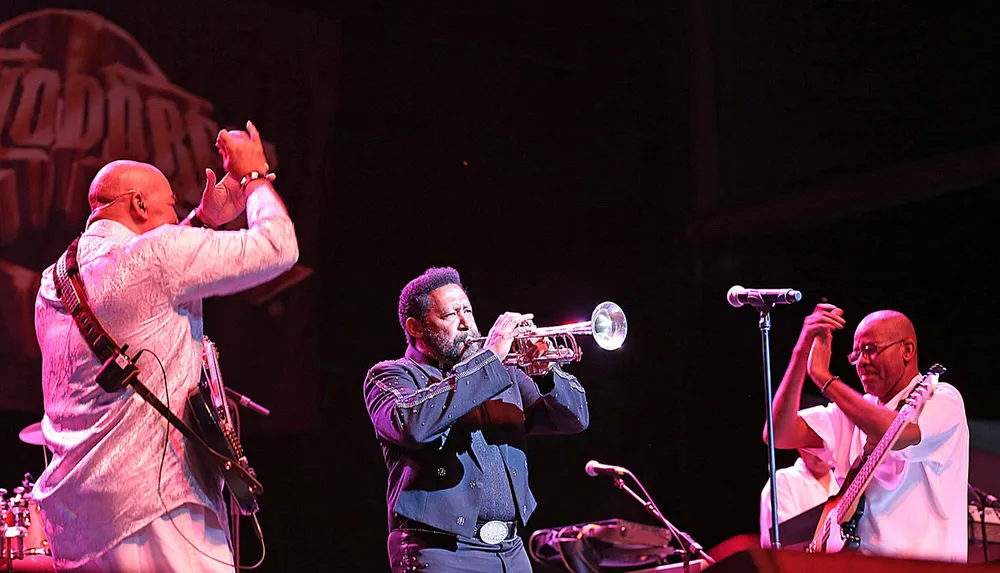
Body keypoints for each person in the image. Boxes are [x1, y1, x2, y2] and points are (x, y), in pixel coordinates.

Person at [33, 121, 299, 572]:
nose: (178, 220)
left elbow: (142, 285)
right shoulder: (157, 254)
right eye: (173, 207)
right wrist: (253, 178)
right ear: (138, 203)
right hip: (156, 507)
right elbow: (279, 246)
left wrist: (203, 222)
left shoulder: (52, 281)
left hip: (76, 523)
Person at [364, 266, 590, 572]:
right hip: (441, 551)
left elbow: (575, 420)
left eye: (467, 311)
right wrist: (490, 359)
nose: (465, 323)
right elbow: (413, 426)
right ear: (416, 328)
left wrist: (547, 374)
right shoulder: (392, 375)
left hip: (511, 550)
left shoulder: (502, 373)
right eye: (449, 315)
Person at [765, 304, 969, 562]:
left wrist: (824, 379)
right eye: (856, 354)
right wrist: (801, 353)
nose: (861, 361)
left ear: (907, 350)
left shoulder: (941, 398)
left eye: (870, 350)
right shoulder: (851, 413)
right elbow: (778, 433)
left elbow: (895, 434)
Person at [758, 448, 838, 548]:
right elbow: (786, 540)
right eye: (813, 446)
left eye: (824, 445)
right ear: (800, 448)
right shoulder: (782, 480)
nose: (819, 452)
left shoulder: (843, 483)